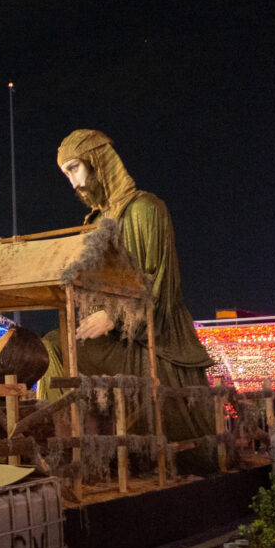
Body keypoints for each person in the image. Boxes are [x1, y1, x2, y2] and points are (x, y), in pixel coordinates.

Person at [38, 129, 215, 469]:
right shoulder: (95, 222)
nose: (73, 182)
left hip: (151, 341)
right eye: (66, 174)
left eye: (75, 168)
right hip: (115, 339)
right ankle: (67, 449)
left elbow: (158, 284)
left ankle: (75, 453)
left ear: (98, 161)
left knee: (57, 346)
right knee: (51, 345)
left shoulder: (147, 209)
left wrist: (113, 317)